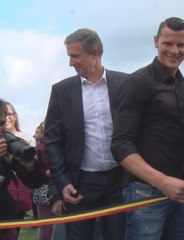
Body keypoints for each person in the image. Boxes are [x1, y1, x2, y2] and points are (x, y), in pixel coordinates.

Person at [110, 17, 184, 239]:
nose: (174, 50)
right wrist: (161, 181)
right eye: (168, 43)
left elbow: (179, 141)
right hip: (144, 192)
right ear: (155, 42)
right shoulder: (137, 82)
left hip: (180, 191)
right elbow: (120, 145)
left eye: (181, 44)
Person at [44, 28, 127, 240]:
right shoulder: (61, 91)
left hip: (120, 182)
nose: (70, 62)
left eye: (75, 55)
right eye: (69, 56)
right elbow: (52, 142)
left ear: (95, 53)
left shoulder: (125, 84)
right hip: (80, 185)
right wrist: (62, 183)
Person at [0, 98, 46, 240]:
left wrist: (29, 166)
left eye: (1, 123)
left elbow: (35, 182)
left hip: (5, 219)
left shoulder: (7, 142)